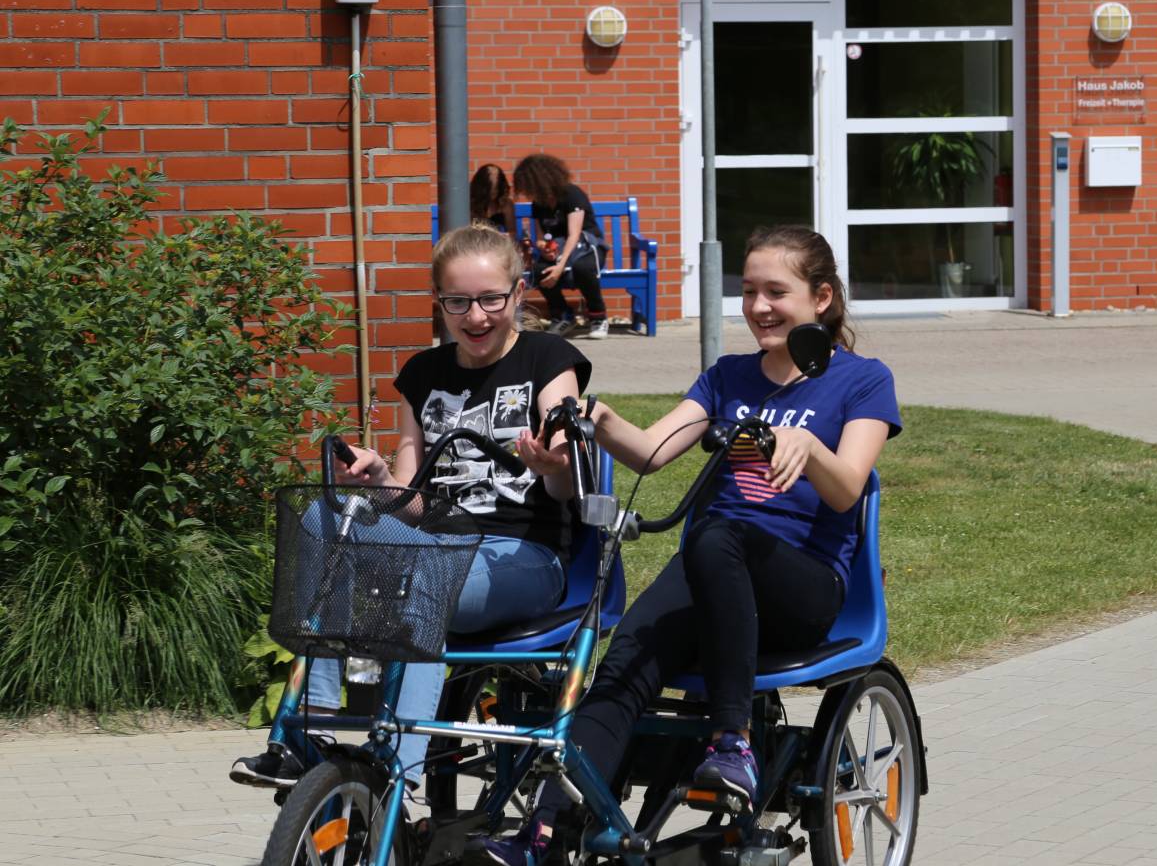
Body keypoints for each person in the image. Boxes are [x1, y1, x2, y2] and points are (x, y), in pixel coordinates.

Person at [469, 225, 902, 866]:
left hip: (805, 587)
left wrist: (809, 447)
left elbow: (845, 492)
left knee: (717, 533)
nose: (758, 307)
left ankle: (733, 744)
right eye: (749, 290)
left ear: (822, 298)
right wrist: (599, 421)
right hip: (713, 572)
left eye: (775, 291)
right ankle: (543, 835)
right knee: (622, 667)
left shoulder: (862, 381)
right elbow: (652, 451)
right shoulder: (727, 377)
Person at [231, 222, 591, 791]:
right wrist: (380, 480)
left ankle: (401, 763)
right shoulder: (422, 375)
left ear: (518, 294)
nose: (476, 317)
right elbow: (415, 505)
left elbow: (567, 458)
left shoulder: (548, 359)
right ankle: (311, 726)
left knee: (428, 571)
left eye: (491, 299)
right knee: (321, 519)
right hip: (435, 542)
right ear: (439, 303)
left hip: (522, 556)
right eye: (458, 302)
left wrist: (556, 460)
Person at [511, 153, 610, 340]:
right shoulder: (538, 203)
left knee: (583, 268)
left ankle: (598, 316)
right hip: (559, 250)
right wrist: (543, 248)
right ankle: (562, 315)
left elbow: (574, 234)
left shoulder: (572, 194)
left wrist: (560, 266)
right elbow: (541, 237)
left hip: (586, 248)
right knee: (539, 270)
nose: (527, 190)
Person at [470, 162, 519, 238]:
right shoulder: (471, 204)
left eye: (496, 190)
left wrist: (501, 236)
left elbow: (512, 232)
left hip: (498, 243)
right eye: (489, 190)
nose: (493, 193)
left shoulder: (506, 204)